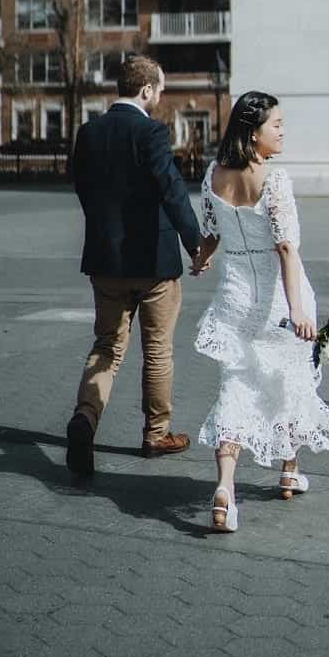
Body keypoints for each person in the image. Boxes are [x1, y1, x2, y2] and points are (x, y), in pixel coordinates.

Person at [190, 90, 329, 533]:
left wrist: (200, 260)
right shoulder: (274, 181)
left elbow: (211, 234)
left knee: (236, 386)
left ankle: (225, 488)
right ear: (253, 132)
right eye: (276, 125)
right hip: (277, 298)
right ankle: (287, 470)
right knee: (289, 380)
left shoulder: (213, 176)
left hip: (234, 297)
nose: (282, 131)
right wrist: (299, 309)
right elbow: (285, 247)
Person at [65, 53, 204, 477]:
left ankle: (85, 418)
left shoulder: (89, 133)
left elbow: (80, 185)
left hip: (106, 262)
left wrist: (105, 229)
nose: (160, 96)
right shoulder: (152, 133)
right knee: (157, 350)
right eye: (159, 89)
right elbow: (172, 190)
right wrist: (195, 243)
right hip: (154, 262)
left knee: (107, 347)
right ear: (145, 89)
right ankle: (156, 434)